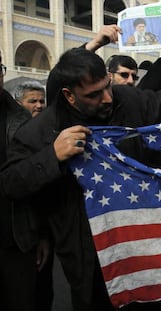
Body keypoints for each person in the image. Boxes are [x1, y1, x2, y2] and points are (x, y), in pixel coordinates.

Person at [1, 47, 161, 311]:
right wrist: (52, 156)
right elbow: (11, 182)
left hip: (142, 241)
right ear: (69, 96)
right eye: (94, 94)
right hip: (89, 256)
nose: (108, 98)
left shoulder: (125, 100)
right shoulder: (41, 131)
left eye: (107, 87)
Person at [0, 55, 51, 311]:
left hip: (16, 241)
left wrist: (41, 234)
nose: (39, 106)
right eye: (34, 101)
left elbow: (36, 185)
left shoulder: (20, 121)